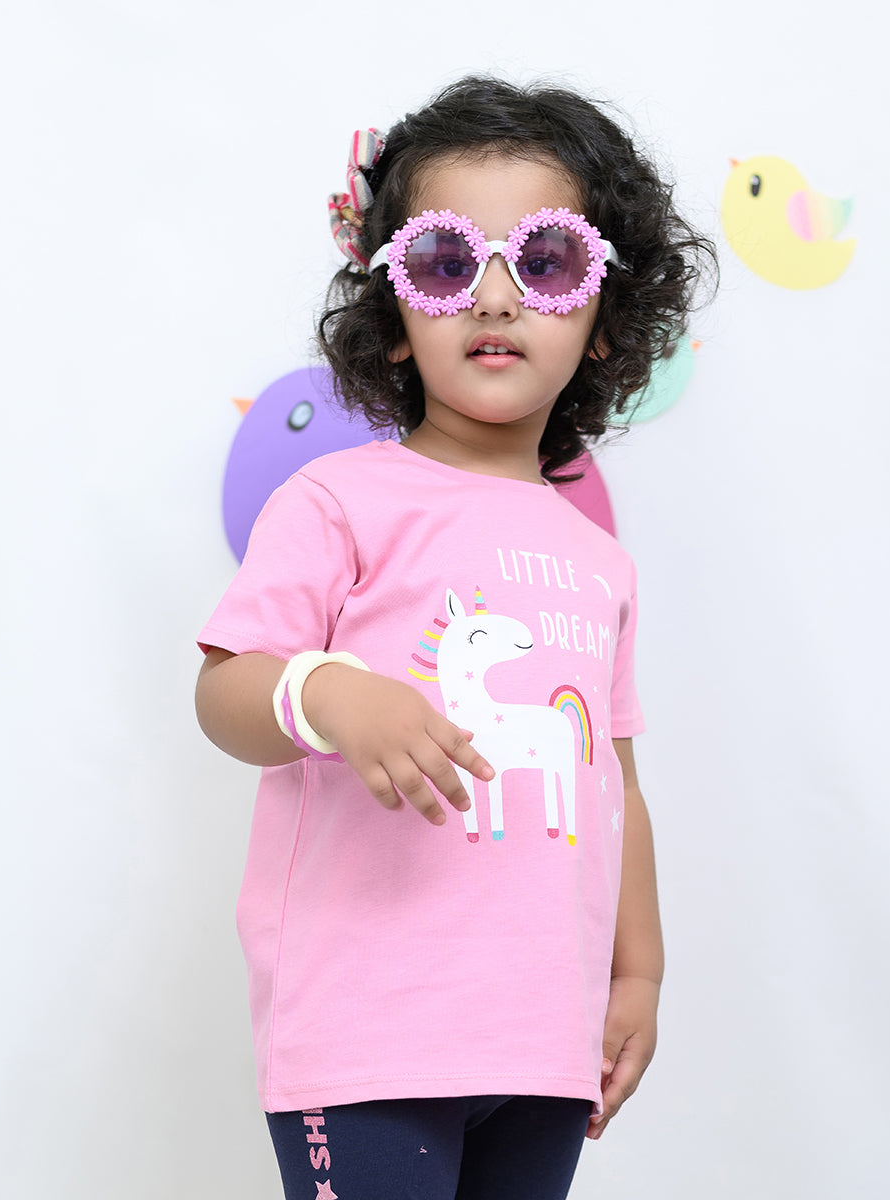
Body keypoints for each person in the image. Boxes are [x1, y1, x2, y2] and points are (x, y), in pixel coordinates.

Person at [195, 75, 715, 1200]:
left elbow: (614, 781)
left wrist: (639, 973)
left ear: (606, 321)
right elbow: (225, 694)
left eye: (546, 262)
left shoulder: (598, 560)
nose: (494, 296)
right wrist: (331, 693)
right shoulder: (337, 502)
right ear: (394, 320)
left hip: (543, 1038)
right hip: (366, 1033)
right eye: (444, 263)